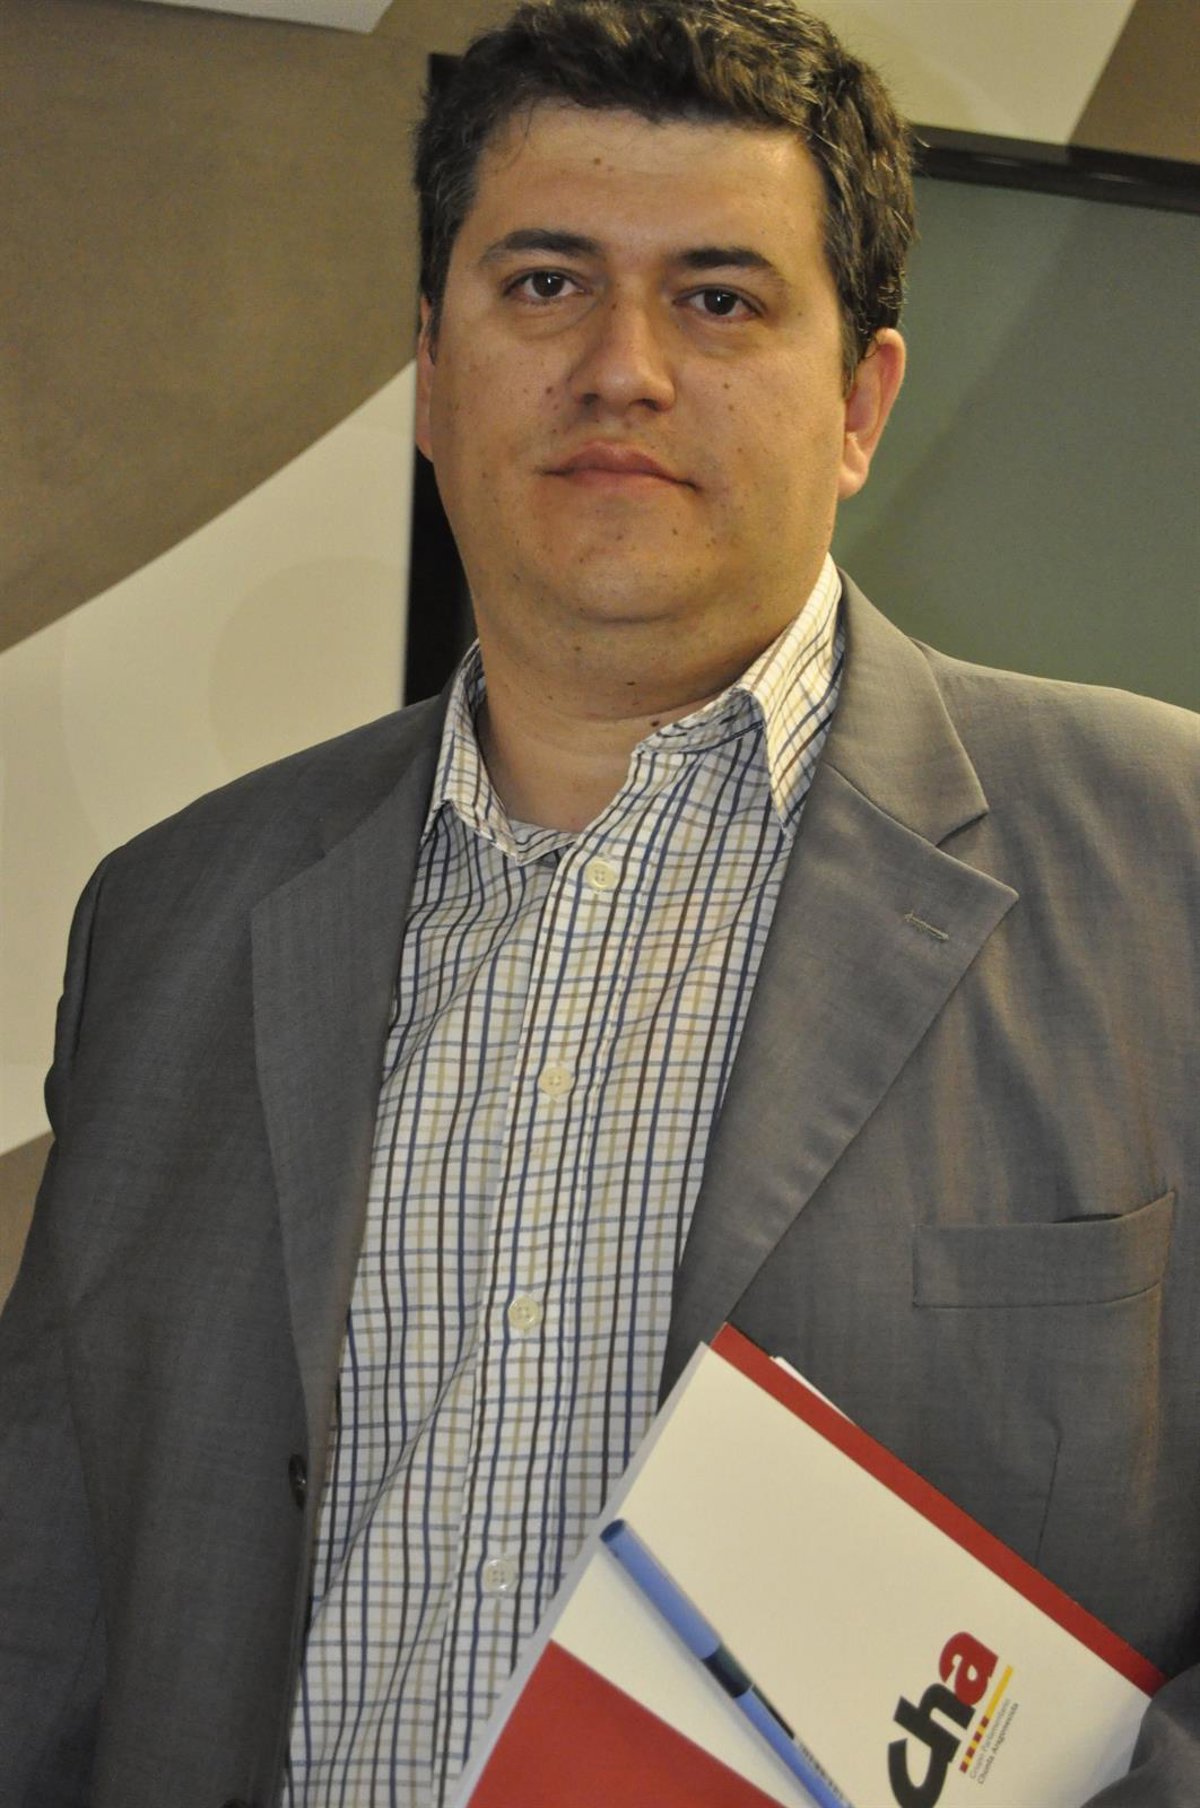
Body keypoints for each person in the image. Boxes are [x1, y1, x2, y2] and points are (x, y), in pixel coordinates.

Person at [0, 1, 1195, 1803]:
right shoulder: (171, 918)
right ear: (432, 367)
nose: (622, 366)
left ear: (861, 402)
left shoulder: (1166, 865)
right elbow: (46, 1612)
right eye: (546, 283)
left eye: (720, 298)